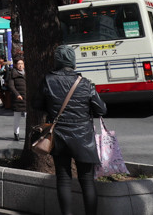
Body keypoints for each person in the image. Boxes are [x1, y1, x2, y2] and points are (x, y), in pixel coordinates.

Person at [33, 44, 107, 215]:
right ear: (73, 61)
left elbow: (36, 104)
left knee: (63, 179)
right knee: (87, 181)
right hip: (83, 137)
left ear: (57, 61)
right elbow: (101, 109)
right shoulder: (85, 83)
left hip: (58, 136)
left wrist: (51, 108)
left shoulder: (48, 80)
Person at [7, 58, 27, 141]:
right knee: (17, 117)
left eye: (22, 63)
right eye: (19, 63)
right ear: (16, 65)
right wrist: (17, 94)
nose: (20, 65)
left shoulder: (27, 73)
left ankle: (28, 133)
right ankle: (16, 133)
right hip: (17, 99)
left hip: (26, 98)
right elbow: (11, 86)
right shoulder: (13, 73)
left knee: (27, 117)